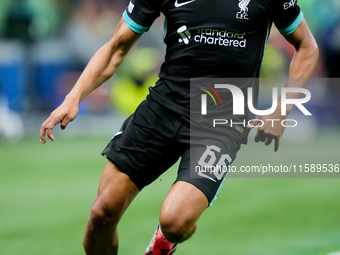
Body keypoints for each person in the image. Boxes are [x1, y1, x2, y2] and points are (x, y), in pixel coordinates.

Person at [40, 0, 319, 254]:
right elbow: (116, 47)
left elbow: (307, 46)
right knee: (103, 211)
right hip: (163, 107)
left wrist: (282, 109)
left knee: (174, 221)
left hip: (221, 119)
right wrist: (73, 97)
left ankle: (166, 239)